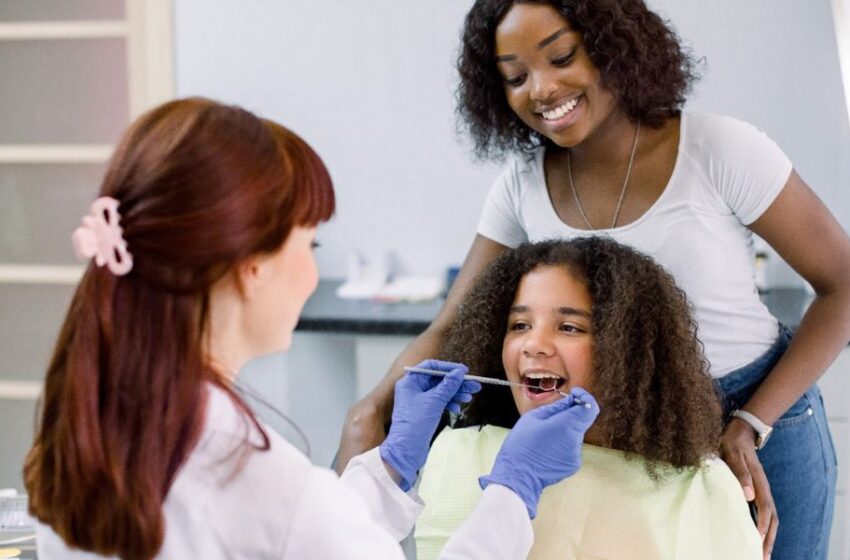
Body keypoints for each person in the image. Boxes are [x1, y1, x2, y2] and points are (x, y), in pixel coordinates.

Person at [335, 1, 850, 559]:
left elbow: (843, 284)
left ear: (615, 45)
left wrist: (752, 421)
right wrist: (371, 411)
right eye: (515, 76)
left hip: (753, 414)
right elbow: (448, 326)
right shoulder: (521, 184)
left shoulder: (720, 150)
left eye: (561, 57)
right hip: (622, 428)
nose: (541, 89)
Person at [23, 97, 599, 559]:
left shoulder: (94, 424)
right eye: (310, 243)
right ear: (249, 267)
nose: (313, 271)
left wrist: (390, 467)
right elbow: (292, 525)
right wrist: (512, 491)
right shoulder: (251, 472)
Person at [414, 237, 763, 559]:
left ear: (629, 352)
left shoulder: (700, 491)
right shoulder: (457, 455)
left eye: (569, 327)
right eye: (519, 325)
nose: (533, 344)